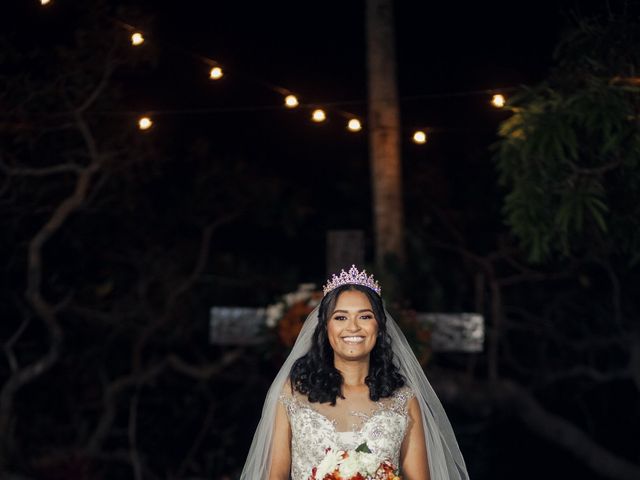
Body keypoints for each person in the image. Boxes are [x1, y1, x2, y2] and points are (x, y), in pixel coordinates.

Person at [240, 266, 469, 480]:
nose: (353, 327)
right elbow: (276, 474)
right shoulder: (293, 391)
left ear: (379, 326)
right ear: (325, 326)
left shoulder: (404, 399)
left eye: (365, 316)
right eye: (340, 317)